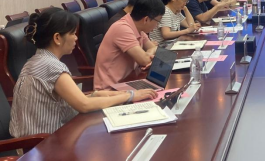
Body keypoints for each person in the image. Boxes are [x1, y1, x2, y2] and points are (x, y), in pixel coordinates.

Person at [9, 9, 156, 137]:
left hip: (46, 137)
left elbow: (74, 100)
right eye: (73, 33)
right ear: (57, 38)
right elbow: (84, 105)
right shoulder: (51, 67)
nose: (76, 38)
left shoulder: (37, 60)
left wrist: (105, 95)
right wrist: (131, 96)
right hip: (44, 144)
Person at [94, 0, 165, 90]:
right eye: (158, 21)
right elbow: (145, 61)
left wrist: (148, 53)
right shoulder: (122, 28)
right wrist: (148, 54)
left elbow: (154, 48)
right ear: (146, 19)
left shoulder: (137, 27)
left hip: (129, 81)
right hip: (111, 90)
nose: (157, 25)